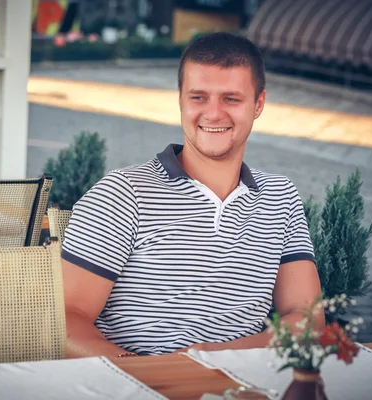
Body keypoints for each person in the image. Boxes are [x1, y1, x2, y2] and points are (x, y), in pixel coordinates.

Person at [61, 32, 324, 358]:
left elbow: (307, 319)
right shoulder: (123, 193)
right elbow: (67, 318)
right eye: (198, 97)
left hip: (244, 386)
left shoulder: (280, 198)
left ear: (258, 104)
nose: (213, 114)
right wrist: (151, 376)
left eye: (231, 99)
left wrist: (212, 358)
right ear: (181, 101)